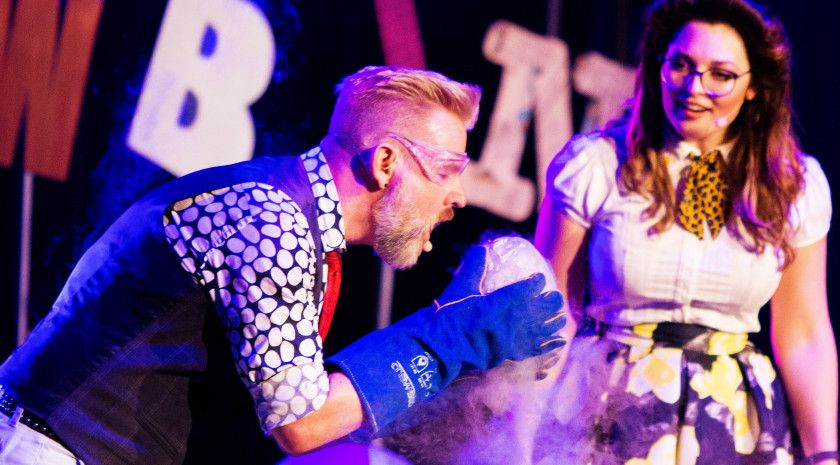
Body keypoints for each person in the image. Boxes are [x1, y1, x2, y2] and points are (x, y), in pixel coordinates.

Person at [0, 66, 566, 465]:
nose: (460, 196)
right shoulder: (272, 221)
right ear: (387, 162)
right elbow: (301, 424)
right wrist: (451, 337)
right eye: (446, 169)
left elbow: (295, 402)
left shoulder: (297, 221)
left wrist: (450, 332)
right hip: (54, 449)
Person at [532, 0, 838, 464]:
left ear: (753, 85)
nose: (695, 88)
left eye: (721, 74)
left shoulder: (793, 185)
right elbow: (552, 313)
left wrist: (824, 455)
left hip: (731, 421)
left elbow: (804, 333)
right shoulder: (595, 164)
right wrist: (519, 429)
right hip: (609, 406)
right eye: (680, 66)